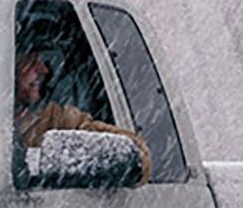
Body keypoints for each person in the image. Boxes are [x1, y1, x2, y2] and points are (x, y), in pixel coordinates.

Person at [14, 46, 152, 184]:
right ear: (6, 69)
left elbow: (139, 152)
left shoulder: (55, 118)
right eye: (32, 62)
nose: (44, 69)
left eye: (40, 60)